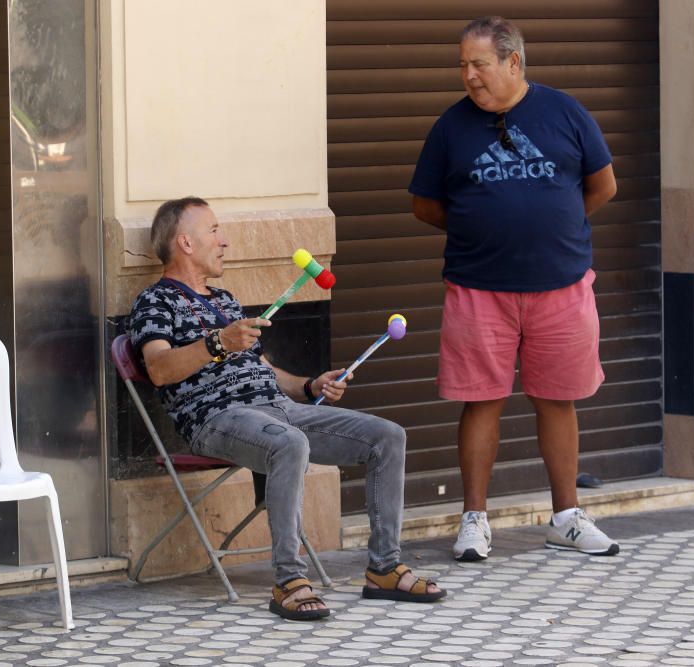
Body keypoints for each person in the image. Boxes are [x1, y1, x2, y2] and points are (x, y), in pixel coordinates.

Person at [127, 197, 445, 620]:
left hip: (277, 409)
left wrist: (310, 384)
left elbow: (263, 368)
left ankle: (384, 568)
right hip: (215, 418)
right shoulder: (155, 302)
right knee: (290, 443)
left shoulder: (224, 299)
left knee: (387, 436)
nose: (225, 240)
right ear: (185, 242)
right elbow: (159, 368)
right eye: (215, 230)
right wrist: (217, 343)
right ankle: (289, 580)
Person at [409, 17, 620, 561]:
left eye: (479, 63)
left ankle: (567, 518)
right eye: (462, 64)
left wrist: (556, 229)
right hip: (479, 290)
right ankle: (475, 521)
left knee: (558, 399)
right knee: (481, 403)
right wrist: (486, 231)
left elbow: (603, 184)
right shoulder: (450, 127)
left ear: (513, 62)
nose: (469, 75)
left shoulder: (565, 111)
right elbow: (425, 205)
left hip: (561, 286)